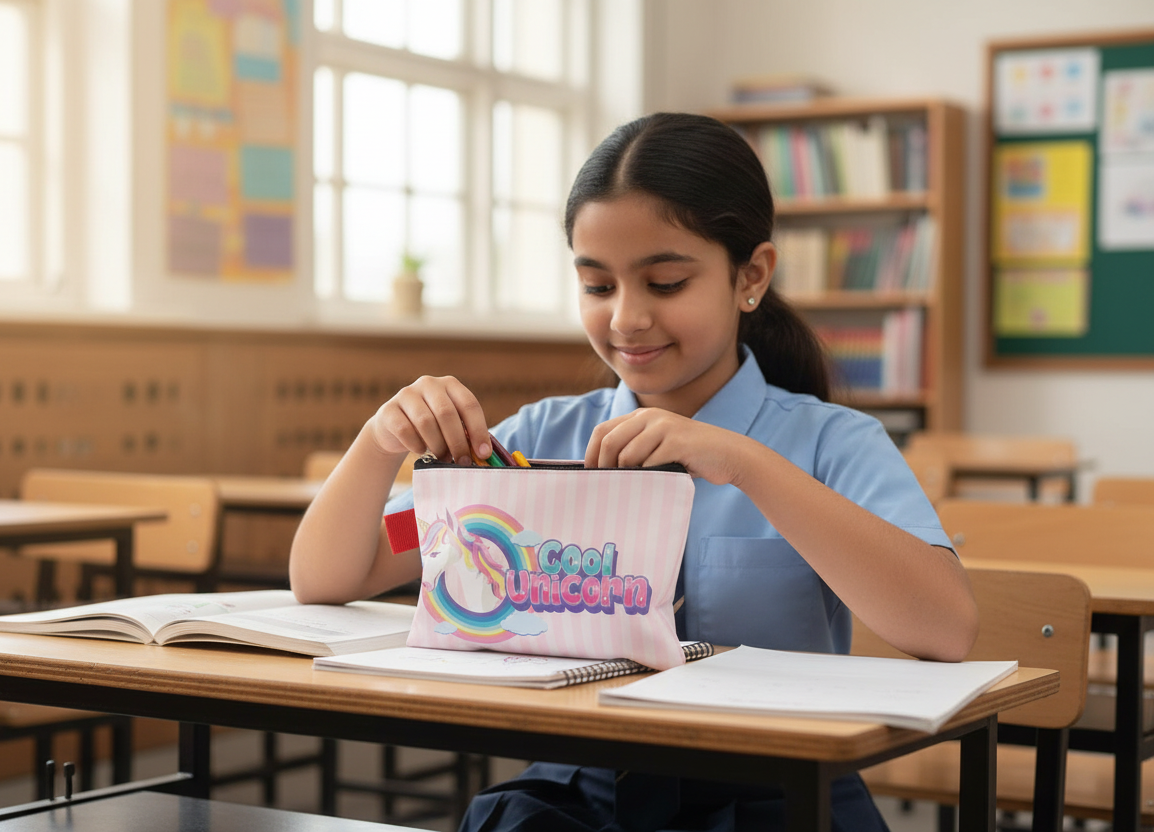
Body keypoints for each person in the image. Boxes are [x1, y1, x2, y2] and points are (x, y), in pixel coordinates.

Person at [290, 112, 978, 832]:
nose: (627, 318)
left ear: (751, 276)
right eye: (597, 286)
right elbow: (328, 577)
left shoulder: (830, 443)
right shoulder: (536, 440)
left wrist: (744, 464)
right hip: (583, 790)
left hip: (778, 793)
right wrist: (378, 441)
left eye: (667, 282)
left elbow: (946, 628)